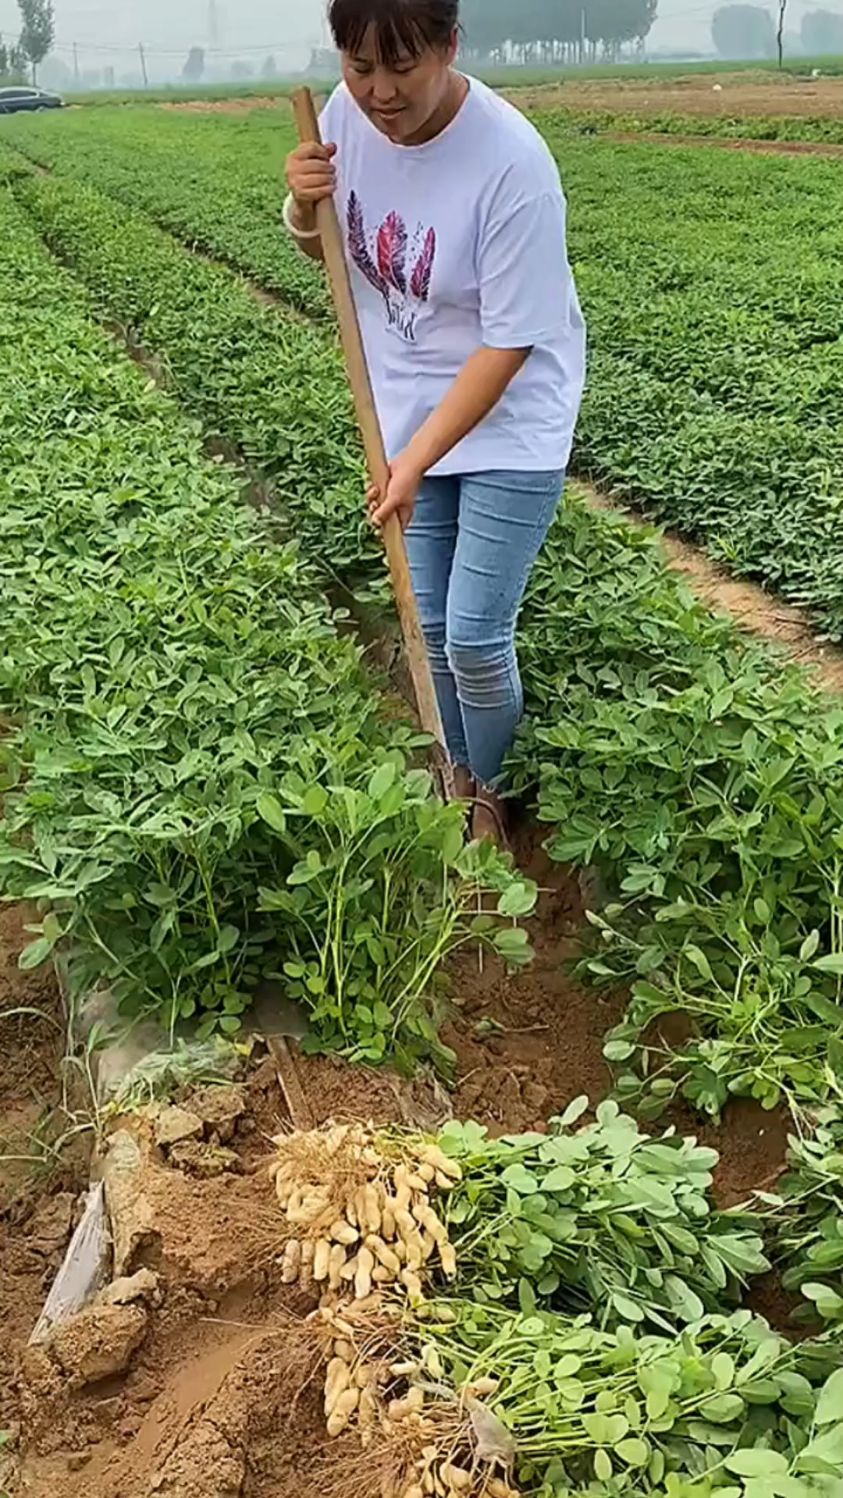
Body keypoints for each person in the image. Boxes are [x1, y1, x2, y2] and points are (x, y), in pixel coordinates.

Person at [284, 0, 585, 842]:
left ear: (450, 45)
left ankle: (486, 790)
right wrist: (304, 205)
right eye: (359, 67)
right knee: (435, 625)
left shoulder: (512, 165)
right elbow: (341, 256)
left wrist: (413, 460)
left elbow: (509, 343)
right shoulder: (345, 118)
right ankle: (451, 771)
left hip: (509, 414)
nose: (378, 93)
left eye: (401, 68)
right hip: (404, 409)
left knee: (478, 638)